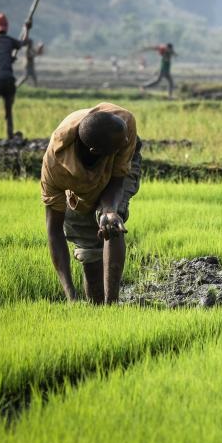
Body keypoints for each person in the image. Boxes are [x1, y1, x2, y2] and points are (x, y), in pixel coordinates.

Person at [41, 103, 141, 304]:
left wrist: (110, 210)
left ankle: (112, 304)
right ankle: (95, 307)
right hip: (80, 180)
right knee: (88, 247)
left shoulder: (123, 125)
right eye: (122, 143)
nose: (128, 141)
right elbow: (54, 231)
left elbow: (117, 178)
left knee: (112, 223)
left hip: (112, 165)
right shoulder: (56, 168)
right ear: (97, 151)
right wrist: (70, 295)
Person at [0, 12, 30, 140]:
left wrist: (9, 59)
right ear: (6, 27)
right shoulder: (9, 41)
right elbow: (24, 42)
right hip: (8, 81)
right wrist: (27, 28)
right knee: (8, 112)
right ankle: (10, 136)